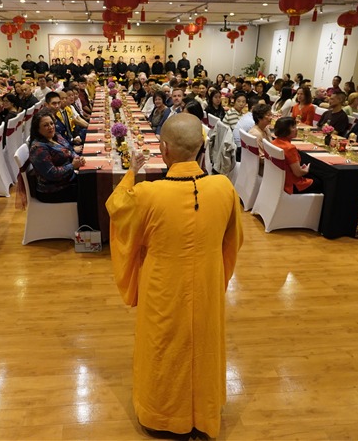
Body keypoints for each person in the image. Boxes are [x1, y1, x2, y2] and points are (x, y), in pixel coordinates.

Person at [105, 113, 242, 438]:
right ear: (201, 146)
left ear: (164, 149)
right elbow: (233, 241)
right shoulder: (224, 187)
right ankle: (203, 411)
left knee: (163, 346)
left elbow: (117, 209)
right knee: (204, 343)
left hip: (163, 285)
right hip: (207, 282)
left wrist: (131, 172)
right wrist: (217, 275)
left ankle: (163, 416)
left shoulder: (148, 194)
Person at [28, 109, 84, 203]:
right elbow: (52, 173)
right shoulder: (38, 148)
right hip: (53, 190)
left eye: (51, 123)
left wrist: (76, 157)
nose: (50, 127)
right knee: (90, 191)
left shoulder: (56, 136)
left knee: (92, 180)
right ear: (37, 129)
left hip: (68, 180)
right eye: (46, 125)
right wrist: (72, 166)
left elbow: (70, 150)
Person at [271, 116, 322, 194]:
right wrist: (305, 170)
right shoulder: (289, 148)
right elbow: (298, 173)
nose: (296, 129)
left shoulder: (273, 142)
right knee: (320, 182)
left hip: (276, 180)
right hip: (290, 185)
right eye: (293, 127)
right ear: (285, 130)